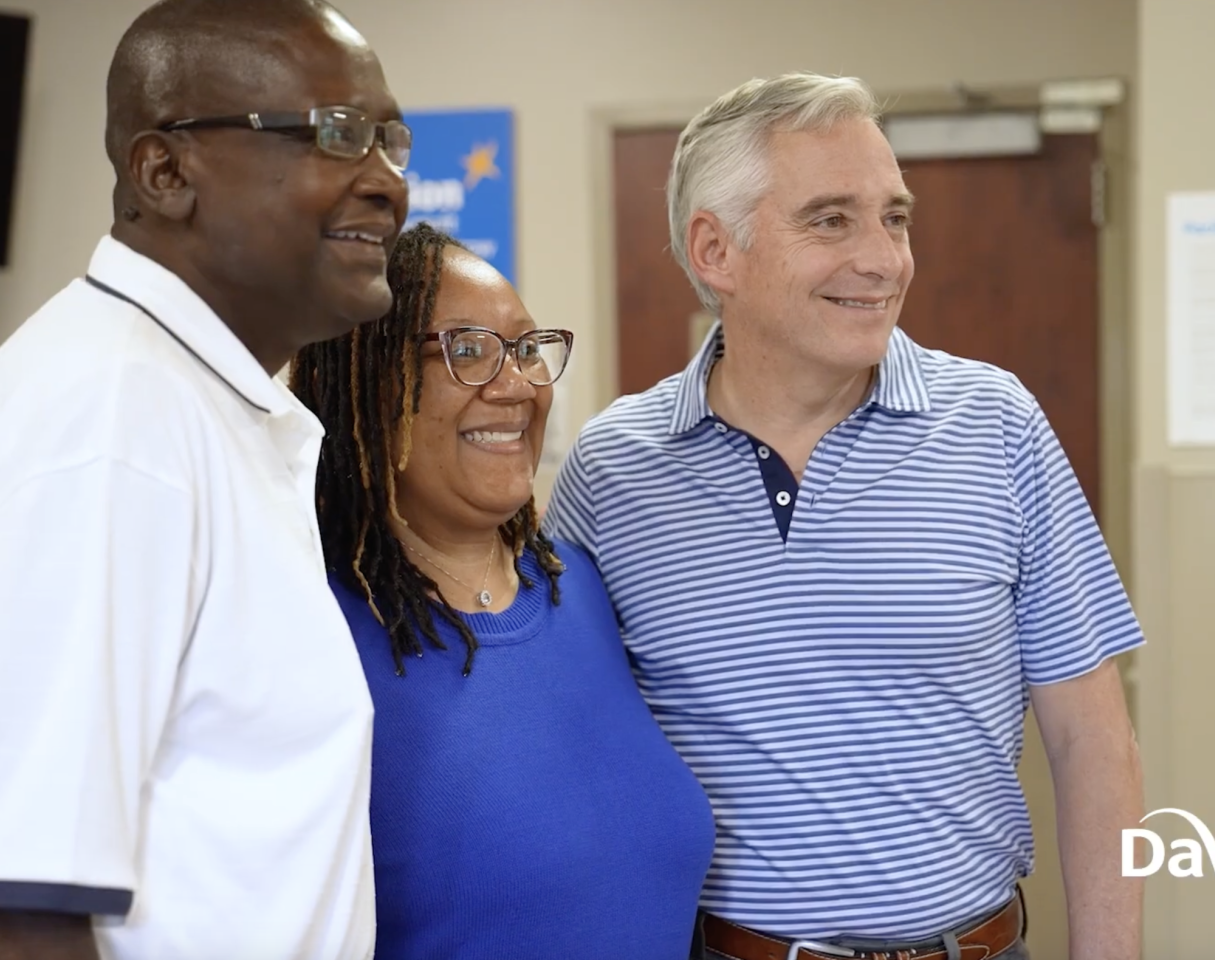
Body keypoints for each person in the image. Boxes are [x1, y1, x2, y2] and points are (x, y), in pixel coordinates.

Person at [545, 73, 1145, 960]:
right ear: (716, 251)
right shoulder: (614, 469)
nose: (884, 258)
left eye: (894, 217)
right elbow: (568, 751)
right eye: (832, 219)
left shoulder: (997, 425)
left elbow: (1093, 739)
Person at [0, 1, 409, 958]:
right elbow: (25, 897)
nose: (389, 182)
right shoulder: (110, 420)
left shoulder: (192, 400)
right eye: (339, 134)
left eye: (390, 140)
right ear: (165, 171)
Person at [289, 221, 716, 960]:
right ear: (365, 379)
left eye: (523, 349)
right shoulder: (312, 629)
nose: (516, 385)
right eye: (467, 351)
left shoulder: (580, 587)